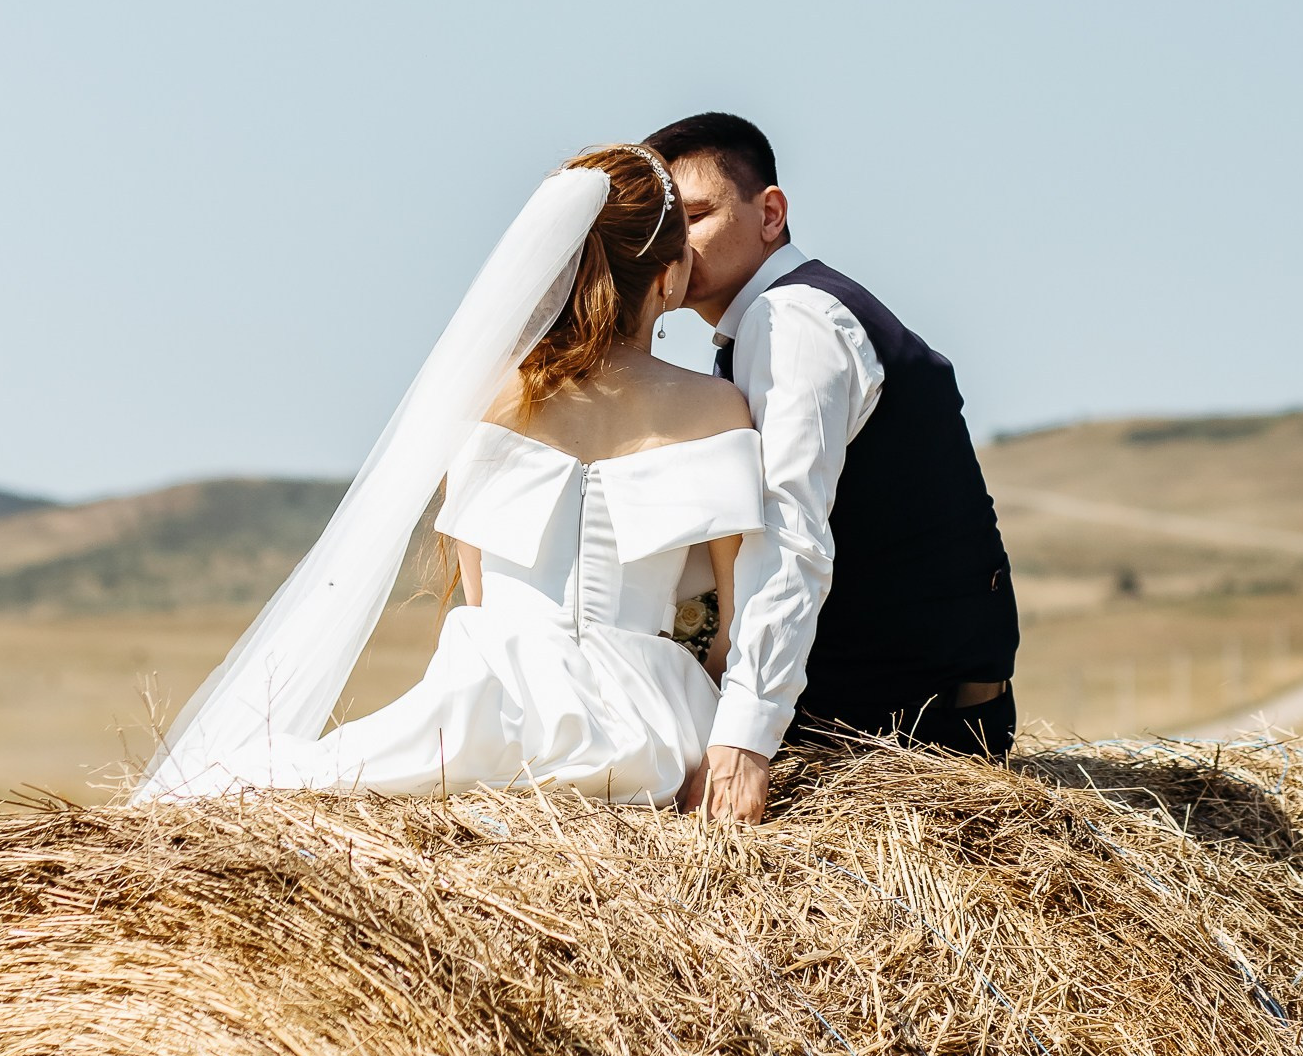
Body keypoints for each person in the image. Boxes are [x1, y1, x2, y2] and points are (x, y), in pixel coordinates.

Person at [138, 148, 763, 807]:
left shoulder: (490, 399)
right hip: (647, 719)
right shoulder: (715, 409)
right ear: (666, 281)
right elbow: (736, 620)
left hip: (485, 704)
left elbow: (482, 597)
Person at [647, 112, 1018, 825]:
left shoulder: (795, 324)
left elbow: (790, 532)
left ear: (771, 213)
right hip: (883, 703)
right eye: (666, 228)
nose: (678, 246)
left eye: (696, 215)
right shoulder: (763, 323)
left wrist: (745, 741)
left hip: (911, 727)